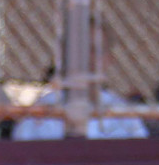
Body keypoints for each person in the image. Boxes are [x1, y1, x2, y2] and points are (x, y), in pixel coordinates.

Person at [12, 24, 148, 141]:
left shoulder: (123, 114)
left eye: (96, 50)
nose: (88, 57)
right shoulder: (41, 112)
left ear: (109, 59)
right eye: (80, 50)